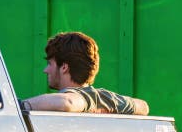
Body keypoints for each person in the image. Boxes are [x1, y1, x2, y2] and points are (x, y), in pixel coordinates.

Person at [21, 31, 149, 115]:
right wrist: (111, 106)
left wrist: (20, 106)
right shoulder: (104, 98)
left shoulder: (79, 97)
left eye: (50, 64)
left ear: (64, 67)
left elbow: (67, 103)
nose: (45, 70)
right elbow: (143, 106)